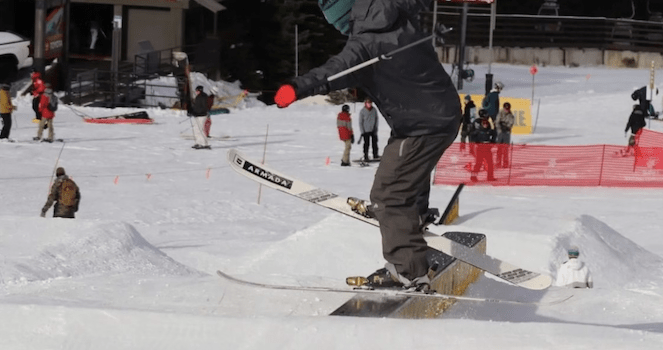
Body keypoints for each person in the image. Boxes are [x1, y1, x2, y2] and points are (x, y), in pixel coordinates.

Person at [273, 0, 462, 291]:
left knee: (388, 194)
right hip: (439, 114)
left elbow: (332, 72)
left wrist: (296, 89)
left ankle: (409, 271)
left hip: (421, 126)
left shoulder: (363, 45)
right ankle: (412, 216)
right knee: (404, 165)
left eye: (335, 22)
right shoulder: (397, 9)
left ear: (344, 16)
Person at [469, 109, 496, 182]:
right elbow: (472, 134)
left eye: (486, 124)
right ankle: (473, 176)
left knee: (490, 163)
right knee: (478, 163)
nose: (485, 125)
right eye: (484, 124)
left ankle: (490, 177)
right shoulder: (477, 124)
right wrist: (474, 143)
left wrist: (492, 142)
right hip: (480, 147)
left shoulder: (488, 126)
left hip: (487, 147)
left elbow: (493, 133)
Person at [189, 85, 211, 149]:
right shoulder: (198, 97)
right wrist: (192, 111)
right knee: (196, 129)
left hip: (202, 115)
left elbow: (204, 107)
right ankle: (198, 142)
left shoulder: (204, 97)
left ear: (200, 90)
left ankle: (204, 144)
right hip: (197, 115)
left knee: (200, 130)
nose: (196, 91)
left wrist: (197, 112)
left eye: (197, 90)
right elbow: (196, 106)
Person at [495, 101, 515, 168]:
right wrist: (500, 127)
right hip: (500, 132)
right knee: (499, 148)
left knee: (505, 149)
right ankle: (498, 163)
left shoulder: (511, 115)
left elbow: (511, 123)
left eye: (508, 109)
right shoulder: (500, 113)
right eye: (505, 109)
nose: (506, 110)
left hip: (506, 133)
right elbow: (497, 122)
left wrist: (506, 127)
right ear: (503, 108)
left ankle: (505, 163)